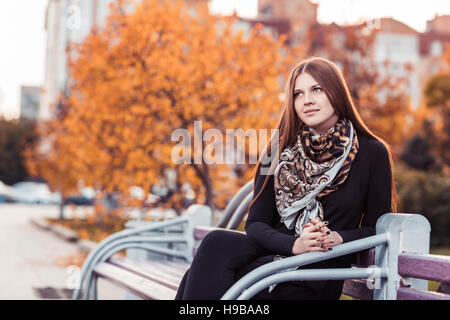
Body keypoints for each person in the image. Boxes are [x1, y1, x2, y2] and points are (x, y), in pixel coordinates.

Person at [175, 57, 397, 300]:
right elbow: (256, 225)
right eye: (298, 94)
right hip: (272, 258)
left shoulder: (372, 152)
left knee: (199, 280)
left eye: (316, 89)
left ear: (336, 91)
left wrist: (336, 237)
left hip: (315, 271)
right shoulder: (277, 150)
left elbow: (377, 228)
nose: (307, 101)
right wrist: (294, 245)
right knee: (216, 243)